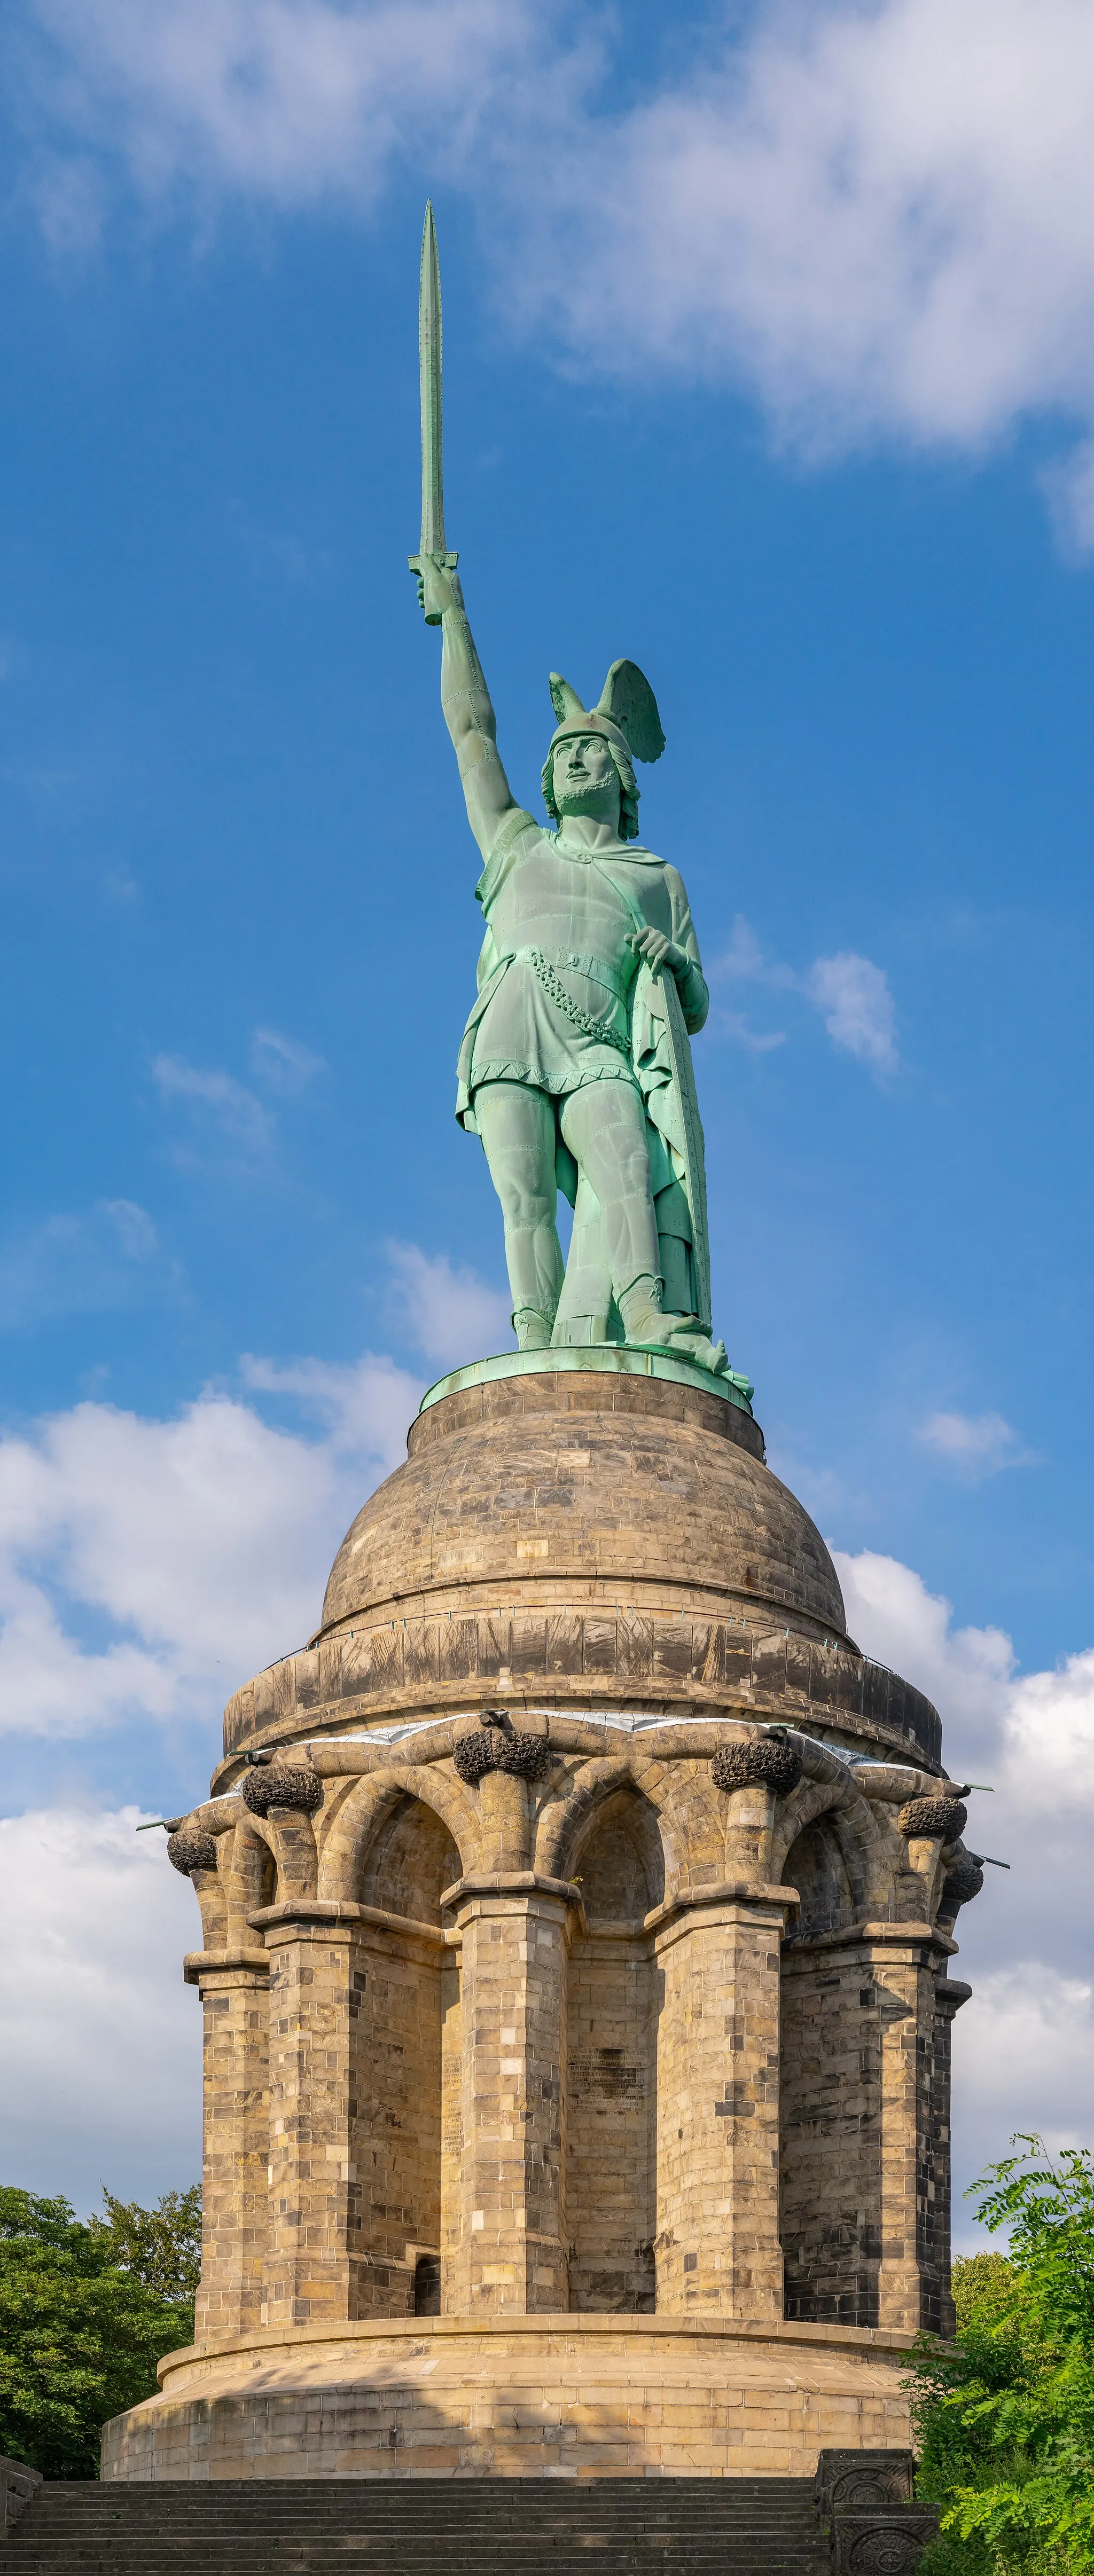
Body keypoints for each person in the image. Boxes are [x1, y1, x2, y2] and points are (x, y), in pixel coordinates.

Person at [415, 551, 727, 1374]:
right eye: (564, 755)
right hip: (513, 1025)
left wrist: (672, 962)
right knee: (523, 1206)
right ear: (549, 782)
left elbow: (692, 1001)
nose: (578, 762)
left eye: (594, 753)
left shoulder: (658, 879)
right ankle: (538, 1352)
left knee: (628, 1161)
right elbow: (472, 732)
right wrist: (455, 620)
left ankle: (651, 1316)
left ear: (623, 775)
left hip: (600, 1047)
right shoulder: (516, 847)